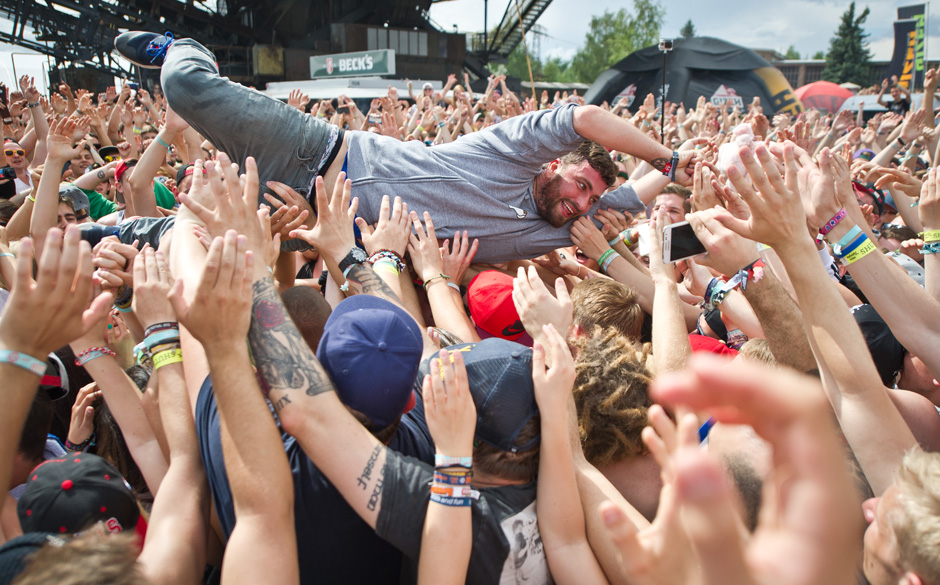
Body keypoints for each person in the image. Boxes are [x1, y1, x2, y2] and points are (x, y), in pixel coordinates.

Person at [113, 31, 694, 263]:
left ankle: (98, 234)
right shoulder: (511, 153)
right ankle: (179, 44)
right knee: (184, 84)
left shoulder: (561, 230)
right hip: (313, 150)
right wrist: (665, 156)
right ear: (555, 162)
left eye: (591, 200)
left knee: (173, 249)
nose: (581, 203)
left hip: (307, 216)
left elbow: (635, 200)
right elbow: (586, 116)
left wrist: (681, 173)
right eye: (581, 186)